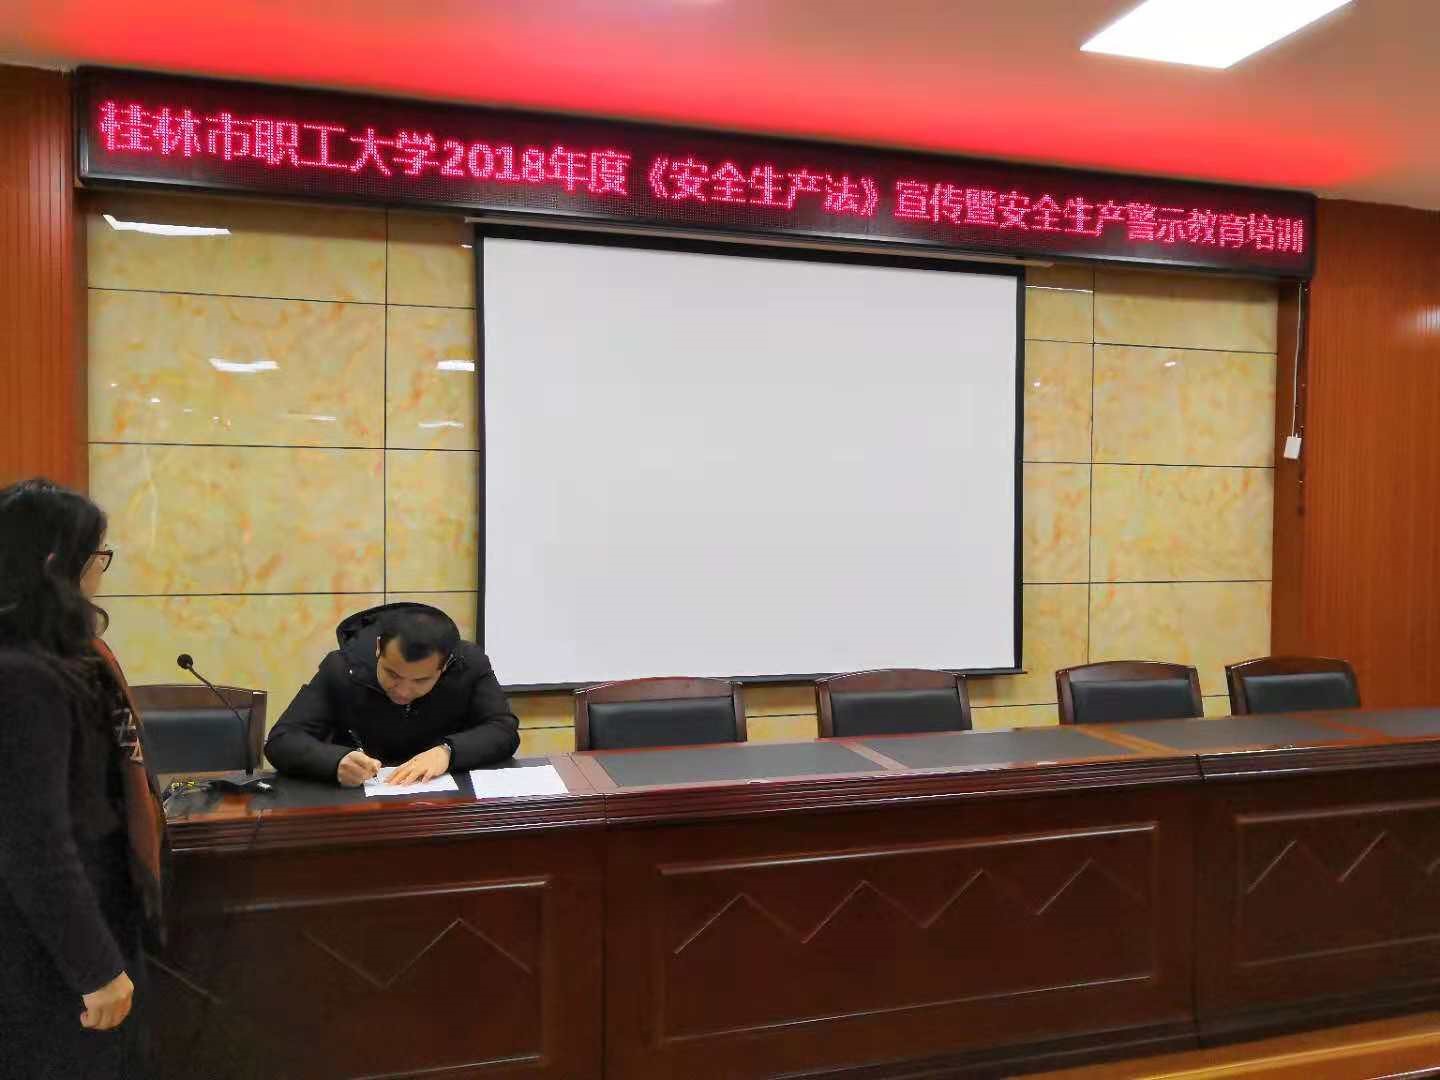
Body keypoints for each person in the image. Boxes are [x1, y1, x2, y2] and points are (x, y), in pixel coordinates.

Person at [0, 478, 162, 1079]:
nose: (100, 572)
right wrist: (93, 966)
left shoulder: (62, 657)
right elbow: (32, 839)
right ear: (54, 564)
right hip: (45, 951)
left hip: (83, 921)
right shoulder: (21, 675)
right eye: (96, 556)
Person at [265, 602, 520, 786]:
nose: (404, 690)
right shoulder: (342, 668)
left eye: (421, 680)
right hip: (361, 805)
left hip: (445, 805)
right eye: (392, 674)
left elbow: (503, 730)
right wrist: (334, 761)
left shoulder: (469, 665)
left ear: (444, 666)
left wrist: (447, 752)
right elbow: (282, 740)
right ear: (379, 648)